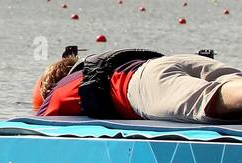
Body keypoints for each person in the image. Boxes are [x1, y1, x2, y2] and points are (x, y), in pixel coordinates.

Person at [33, 46, 242, 122]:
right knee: (234, 88)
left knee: (213, 100)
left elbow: (35, 129)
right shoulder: (100, 65)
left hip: (143, 85)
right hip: (176, 60)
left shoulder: (59, 90)